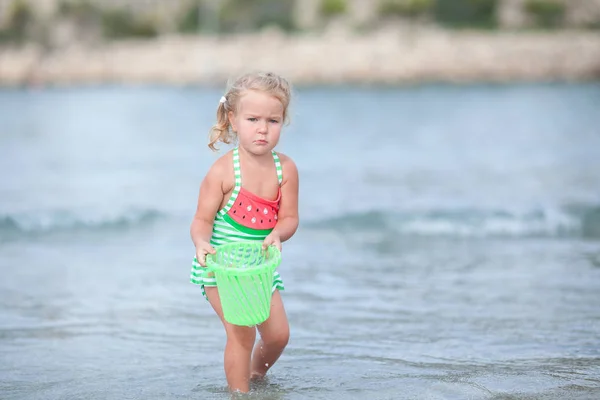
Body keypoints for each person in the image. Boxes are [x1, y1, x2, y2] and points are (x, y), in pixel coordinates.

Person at [189, 71, 299, 393]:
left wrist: (278, 233)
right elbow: (201, 220)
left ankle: (255, 377)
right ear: (233, 120)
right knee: (242, 332)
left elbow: (290, 217)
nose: (262, 129)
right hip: (220, 271)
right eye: (252, 119)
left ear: (282, 122)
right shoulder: (224, 171)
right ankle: (240, 394)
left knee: (279, 335)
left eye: (273, 121)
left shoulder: (285, 169)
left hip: (259, 270)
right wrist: (200, 243)